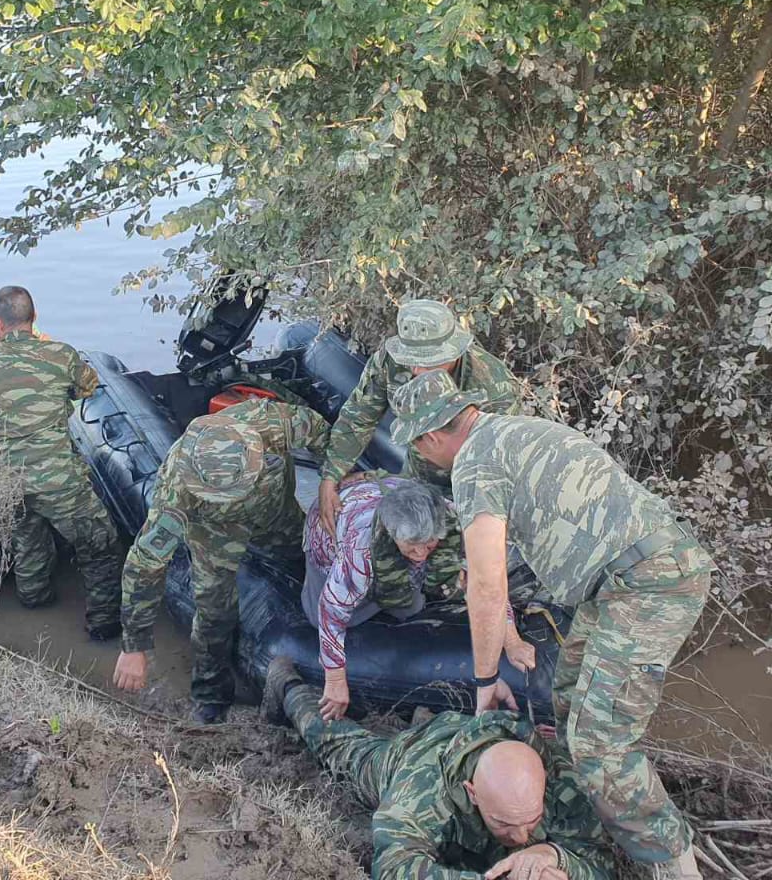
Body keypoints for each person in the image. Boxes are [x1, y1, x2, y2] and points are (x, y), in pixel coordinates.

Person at [389, 371, 713, 880]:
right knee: (566, 696)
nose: (423, 459)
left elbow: (489, 588)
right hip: (620, 578)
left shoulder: (473, 465)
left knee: (599, 745)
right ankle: (576, 820)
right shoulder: (515, 430)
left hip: (646, 583)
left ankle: (674, 865)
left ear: (429, 436)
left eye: (419, 448)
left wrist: (484, 679)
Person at [261, 656, 615, 880]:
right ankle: (290, 688)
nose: (520, 839)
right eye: (504, 824)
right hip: (410, 754)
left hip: (477, 738)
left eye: (533, 821)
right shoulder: (419, 790)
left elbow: (601, 862)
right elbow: (393, 868)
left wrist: (556, 858)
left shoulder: (560, 780)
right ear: (472, 793)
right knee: (342, 748)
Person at [112, 398, 330, 723]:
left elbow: (326, 437)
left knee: (305, 561)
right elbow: (145, 565)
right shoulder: (176, 489)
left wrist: (332, 481)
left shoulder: (271, 421)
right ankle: (211, 694)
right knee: (214, 612)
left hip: (276, 511)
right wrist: (134, 645)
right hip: (215, 531)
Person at [302, 476, 536, 721]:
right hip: (329, 531)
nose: (421, 553)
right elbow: (331, 610)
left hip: (390, 502)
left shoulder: (453, 518)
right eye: (412, 546)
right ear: (392, 534)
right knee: (324, 617)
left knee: (411, 606)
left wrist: (511, 639)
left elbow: (486, 584)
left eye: (429, 544)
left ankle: (393, 589)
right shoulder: (358, 551)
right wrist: (335, 678)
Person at [0, 286, 122, 640]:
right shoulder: (60, 354)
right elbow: (88, 386)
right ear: (34, 318)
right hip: (57, 476)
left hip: (7, 475)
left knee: (27, 536)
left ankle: (34, 598)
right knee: (99, 544)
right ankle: (103, 623)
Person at [317, 299, 522, 536]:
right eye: (411, 360)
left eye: (429, 362)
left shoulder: (494, 386)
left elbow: (496, 470)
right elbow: (359, 415)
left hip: (471, 486)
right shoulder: (390, 361)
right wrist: (331, 476)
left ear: (454, 351)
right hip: (417, 473)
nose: (417, 371)